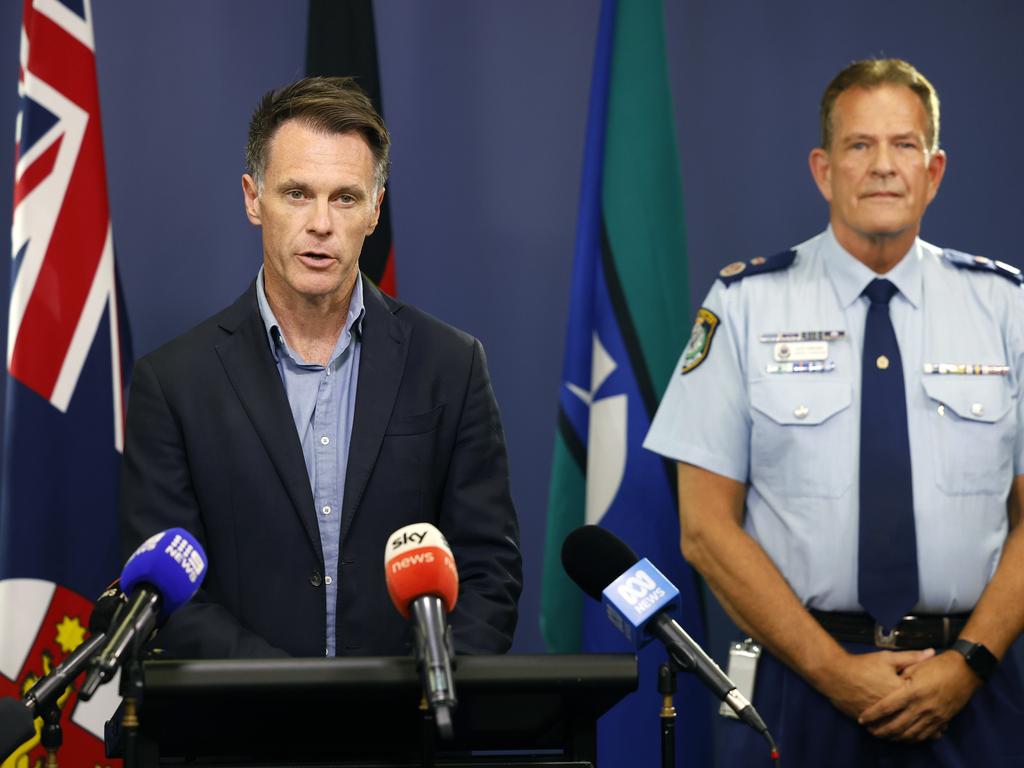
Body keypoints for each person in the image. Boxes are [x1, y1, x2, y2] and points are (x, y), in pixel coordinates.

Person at [645, 58, 1024, 765]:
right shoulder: (745, 305)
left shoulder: (1007, 308)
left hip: (973, 690)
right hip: (798, 690)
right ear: (823, 170)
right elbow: (703, 530)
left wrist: (969, 660)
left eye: (904, 145)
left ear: (934, 171)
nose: (883, 166)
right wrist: (831, 670)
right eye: (859, 145)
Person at [119, 77, 522, 659]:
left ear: (375, 210)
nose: (321, 224)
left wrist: (404, 700)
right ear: (253, 199)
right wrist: (298, 706)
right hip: (245, 738)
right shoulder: (174, 383)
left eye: (345, 198)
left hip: (403, 733)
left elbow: (489, 572)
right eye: (297, 193)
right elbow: (166, 599)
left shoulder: (451, 366)